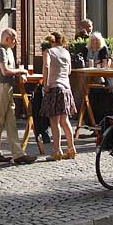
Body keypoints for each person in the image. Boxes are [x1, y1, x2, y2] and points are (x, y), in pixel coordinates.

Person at [0, 28, 36, 165]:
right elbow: (5, 71)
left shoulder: (8, 51)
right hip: (1, 87)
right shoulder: (0, 51)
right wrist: (20, 71)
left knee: (11, 121)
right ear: (6, 39)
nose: (16, 42)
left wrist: (19, 74)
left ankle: (18, 153)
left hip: (8, 87)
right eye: (13, 39)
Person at [41, 32, 77, 161]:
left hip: (54, 87)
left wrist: (45, 84)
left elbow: (46, 66)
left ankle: (57, 151)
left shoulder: (48, 52)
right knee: (64, 120)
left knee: (54, 121)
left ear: (51, 41)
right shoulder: (66, 52)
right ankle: (71, 148)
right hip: (66, 88)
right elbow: (69, 71)